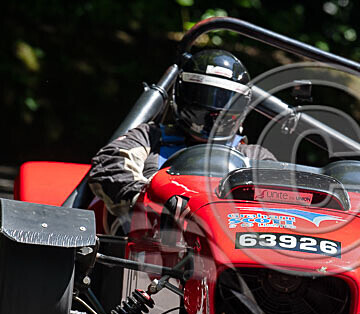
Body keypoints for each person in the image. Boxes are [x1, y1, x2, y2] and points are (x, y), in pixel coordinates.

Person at [88, 49, 275, 216]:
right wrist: (153, 199)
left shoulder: (254, 156)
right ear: (183, 94)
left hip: (226, 241)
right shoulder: (150, 137)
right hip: (150, 240)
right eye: (206, 96)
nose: (215, 111)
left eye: (227, 101)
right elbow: (109, 164)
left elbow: (278, 199)